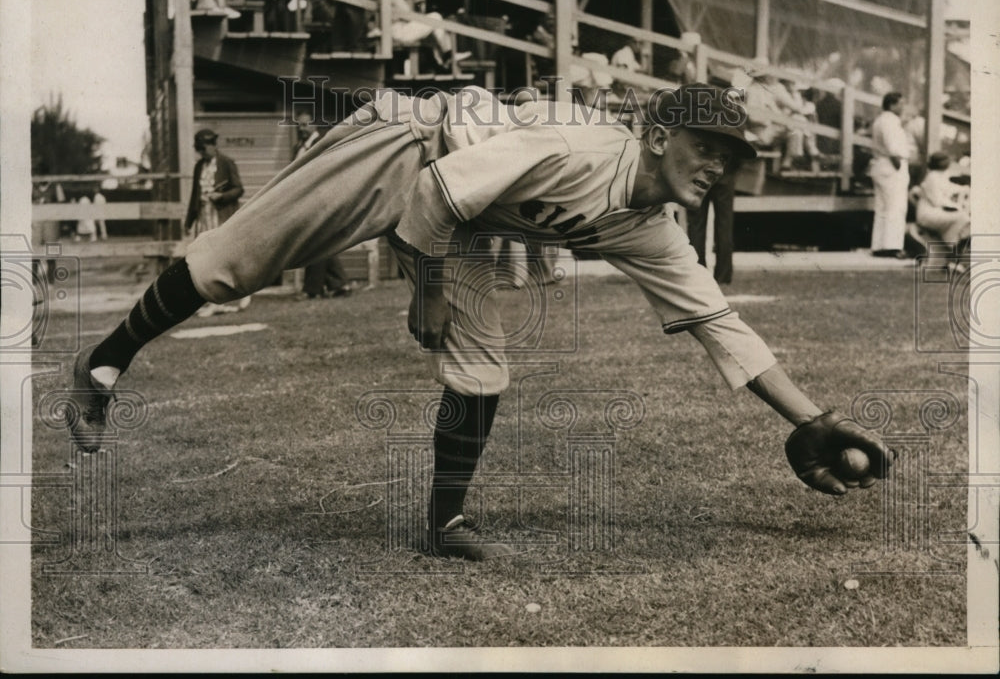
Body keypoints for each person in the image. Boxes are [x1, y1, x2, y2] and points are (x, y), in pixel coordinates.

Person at [65, 84, 894, 561]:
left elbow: (720, 323)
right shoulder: (581, 148)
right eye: (705, 146)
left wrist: (810, 420)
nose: (716, 166)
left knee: (484, 366)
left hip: (463, 209)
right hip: (406, 143)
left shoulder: (651, 226)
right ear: (654, 133)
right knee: (233, 262)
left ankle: (444, 520)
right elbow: (432, 193)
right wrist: (424, 290)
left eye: (729, 158)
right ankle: (101, 366)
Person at [185, 128, 251, 316]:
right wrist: (189, 221)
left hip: (222, 216)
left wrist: (221, 196)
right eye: (199, 149)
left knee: (229, 257)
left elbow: (238, 189)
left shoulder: (226, 163)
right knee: (208, 259)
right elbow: (194, 195)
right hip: (205, 217)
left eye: (204, 148)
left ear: (213, 145)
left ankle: (246, 291)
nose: (202, 153)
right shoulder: (199, 166)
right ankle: (216, 300)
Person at [294, 114, 354, 299]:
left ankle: (312, 289)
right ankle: (340, 283)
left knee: (315, 242)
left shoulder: (323, 143)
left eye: (305, 125)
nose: (301, 129)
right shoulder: (299, 147)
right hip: (305, 199)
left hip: (321, 198)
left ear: (314, 125)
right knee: (319, 242)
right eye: (299, 126)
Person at [868, 92, 912, 259]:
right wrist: (898, 164)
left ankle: (879, 246)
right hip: (891, 165)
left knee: (882, 207)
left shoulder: (881, 120)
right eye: (901, 104)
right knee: (895, 207)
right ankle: (893, 246)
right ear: (892, 105)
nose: (903, 107)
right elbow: (893, 147)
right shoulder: (890, 121)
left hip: (881, 165)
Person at [390, 0, 470, 73]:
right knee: (435, 17)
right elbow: (406, 14)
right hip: (397, 31)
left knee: (434, 29)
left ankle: (446, 59)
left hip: (394, 30)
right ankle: (447, 57)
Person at [911, 151, 971, 269]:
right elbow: (937, 201)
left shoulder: (939, 175)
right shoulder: (932, 177)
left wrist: (964, 188)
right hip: (928, 214)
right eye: (945, 160)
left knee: (965, 220)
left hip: (936, 212)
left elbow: (950, 188)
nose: (948, 163)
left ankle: (953, 259)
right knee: (963, 218)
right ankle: (953, 258)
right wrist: (957, 207)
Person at [686, 161, 737, 285]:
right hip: (725, 172)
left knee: (696, 225)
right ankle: (723, 276)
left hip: (699, 174)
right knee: (725, 224)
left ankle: (697, 273)